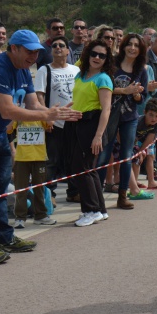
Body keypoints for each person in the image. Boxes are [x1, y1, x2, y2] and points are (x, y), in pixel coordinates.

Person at [0, 30, 81, 264]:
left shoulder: (23, 68)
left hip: (0, 135)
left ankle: (3, 237)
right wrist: (47, 113)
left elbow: (32, 102)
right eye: (29, 51)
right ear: (13, 48)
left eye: (37, 51)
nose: (34, 55)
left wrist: (52, 113)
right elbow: (8, 110)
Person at [64, 40, 113, 227]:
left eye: (102, 55)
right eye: (94, 54)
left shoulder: (103, 79)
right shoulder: (80, 74)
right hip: (78, 123)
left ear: (107, 59)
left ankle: (91, 210)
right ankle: (99, 209)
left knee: (82, 168)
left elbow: (106, 109)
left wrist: (99, 135)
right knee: (87, 169)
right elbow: (77, 99)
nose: (97, 58)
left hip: (93, 124)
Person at [96, 34, 148, 208]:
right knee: (104, 155)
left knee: (126, 157)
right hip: (109, 116)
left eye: (136, 45)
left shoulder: (142, 70)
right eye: (129, 44)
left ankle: (123, 195)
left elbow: (143, 98)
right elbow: (104, 88)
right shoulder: (112, 65)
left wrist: (137, 93)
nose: (132, 48)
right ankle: (97, 196)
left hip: (129, 117)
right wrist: (125, 90)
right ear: (123, 46)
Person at [34, 35, 81, 206]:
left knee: (73, 159)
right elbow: (39, 95)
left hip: (74, 121)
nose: (58, 47)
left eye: (62, 45)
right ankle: (49, 194)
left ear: (68, 50)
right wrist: (47, 117)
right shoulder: (44, 70)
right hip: (54, 123)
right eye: (54, 45)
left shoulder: (76, 70)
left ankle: (74, 192)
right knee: (51, 161)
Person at [7, 117, 56, 229]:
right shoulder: (19, 116)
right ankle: (20, 217)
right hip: (22, 158)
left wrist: (43, 109)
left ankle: (41, 216)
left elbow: (50, 123)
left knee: (39, 188)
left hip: (39, 158)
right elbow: (8, 129)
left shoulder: (40, 115)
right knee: (21, 189)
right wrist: (15, 112)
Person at [131, 98, 157, 190]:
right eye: (151, 115)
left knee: (151, 156)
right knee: (137, 159)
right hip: (135, 140)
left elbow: (150, 138)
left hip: (148, 141)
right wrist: (139, 152)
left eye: (156, 116)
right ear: (145, 112)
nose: (153, 119)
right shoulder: (138, 121)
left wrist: (143, 150)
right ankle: (135, 181)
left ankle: (151, 181)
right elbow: (133, 137)